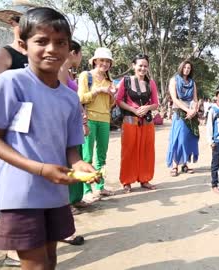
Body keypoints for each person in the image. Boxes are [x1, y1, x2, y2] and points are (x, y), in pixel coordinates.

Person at [0, 7, 99, 269]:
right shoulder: (11, 83)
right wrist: (40, 169)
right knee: (36, 265)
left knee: (50, 261)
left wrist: (79, 166)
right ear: (23, 44)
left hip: (55, 194)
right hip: (20, 194)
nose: (52, 49)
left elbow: (71, 149)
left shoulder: (68, 98)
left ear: (69, 48)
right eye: (41, 41)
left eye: (60, 42)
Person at [0, 3, 34, 266]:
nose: (22, 24)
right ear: (12, 24)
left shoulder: (37, 55)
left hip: (31, 131)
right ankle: (9, 248)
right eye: (18, 20)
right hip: (7, 132)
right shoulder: (5, 54)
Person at [57, 40, 87, 246]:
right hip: (62, 128)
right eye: (80, 54)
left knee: (72, 166)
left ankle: (64, 223)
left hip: (72, 126)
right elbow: (59, 102)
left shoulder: (67, 73)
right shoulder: (60, 71)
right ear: (73, 53)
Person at [116, 54, 159, 193]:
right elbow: (119, 100)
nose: (143, 68)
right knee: (129, 150)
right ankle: (127, 181)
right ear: (133, 66)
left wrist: (147, 108)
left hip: (146, 121)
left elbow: (155, 103)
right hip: (129, 120)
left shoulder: (150, 83)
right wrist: (133, 109)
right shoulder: (125, 81)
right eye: (140, 65)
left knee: (147, 150)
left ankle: (145, 179)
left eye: (145, 66)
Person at [78, 47, 116, 202]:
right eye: (102, 60)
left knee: (102, 156)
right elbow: (80, 98)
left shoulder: (110, 81)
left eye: (107, 61)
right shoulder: (86, 76)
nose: (104, 64)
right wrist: (99, 90)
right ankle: (86, 190)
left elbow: (110, 104)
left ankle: (100, 187)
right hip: (89, 119)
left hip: (105, 120)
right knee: (87, 156)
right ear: (94, 61)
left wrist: (112, 94)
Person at [166, 60, 199, 177]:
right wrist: (187, 110)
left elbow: (195, 99)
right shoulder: (174, 80)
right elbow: (175, 99)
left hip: (191, 113)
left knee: (188, 139)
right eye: (185, 67)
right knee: (178, 138)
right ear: (181, 68)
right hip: (179, 113)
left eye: (189, 68)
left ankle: (185, 163)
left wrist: (194, 111)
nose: (186, 69)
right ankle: (175, 165)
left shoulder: (192, 82)